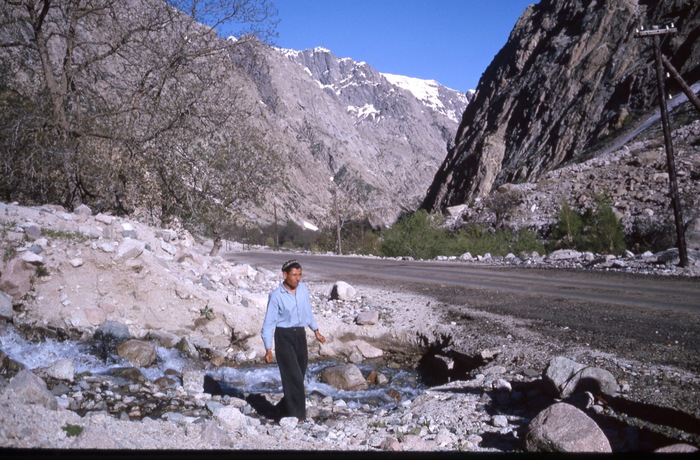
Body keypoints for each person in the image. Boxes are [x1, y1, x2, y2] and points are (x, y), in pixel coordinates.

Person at [261, 259, 326, 421]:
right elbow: (269, 323)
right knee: (294, 377)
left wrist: (316, 331)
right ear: (285, 275)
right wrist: (268, 348)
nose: (298, 278)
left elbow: (307, 312)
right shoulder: (276, 296)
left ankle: (281, 409)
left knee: (299, 375)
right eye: (294, 275)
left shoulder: (303, 289)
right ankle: (297, 417)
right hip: (284, 337)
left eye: (300, 275)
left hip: (300, 336)